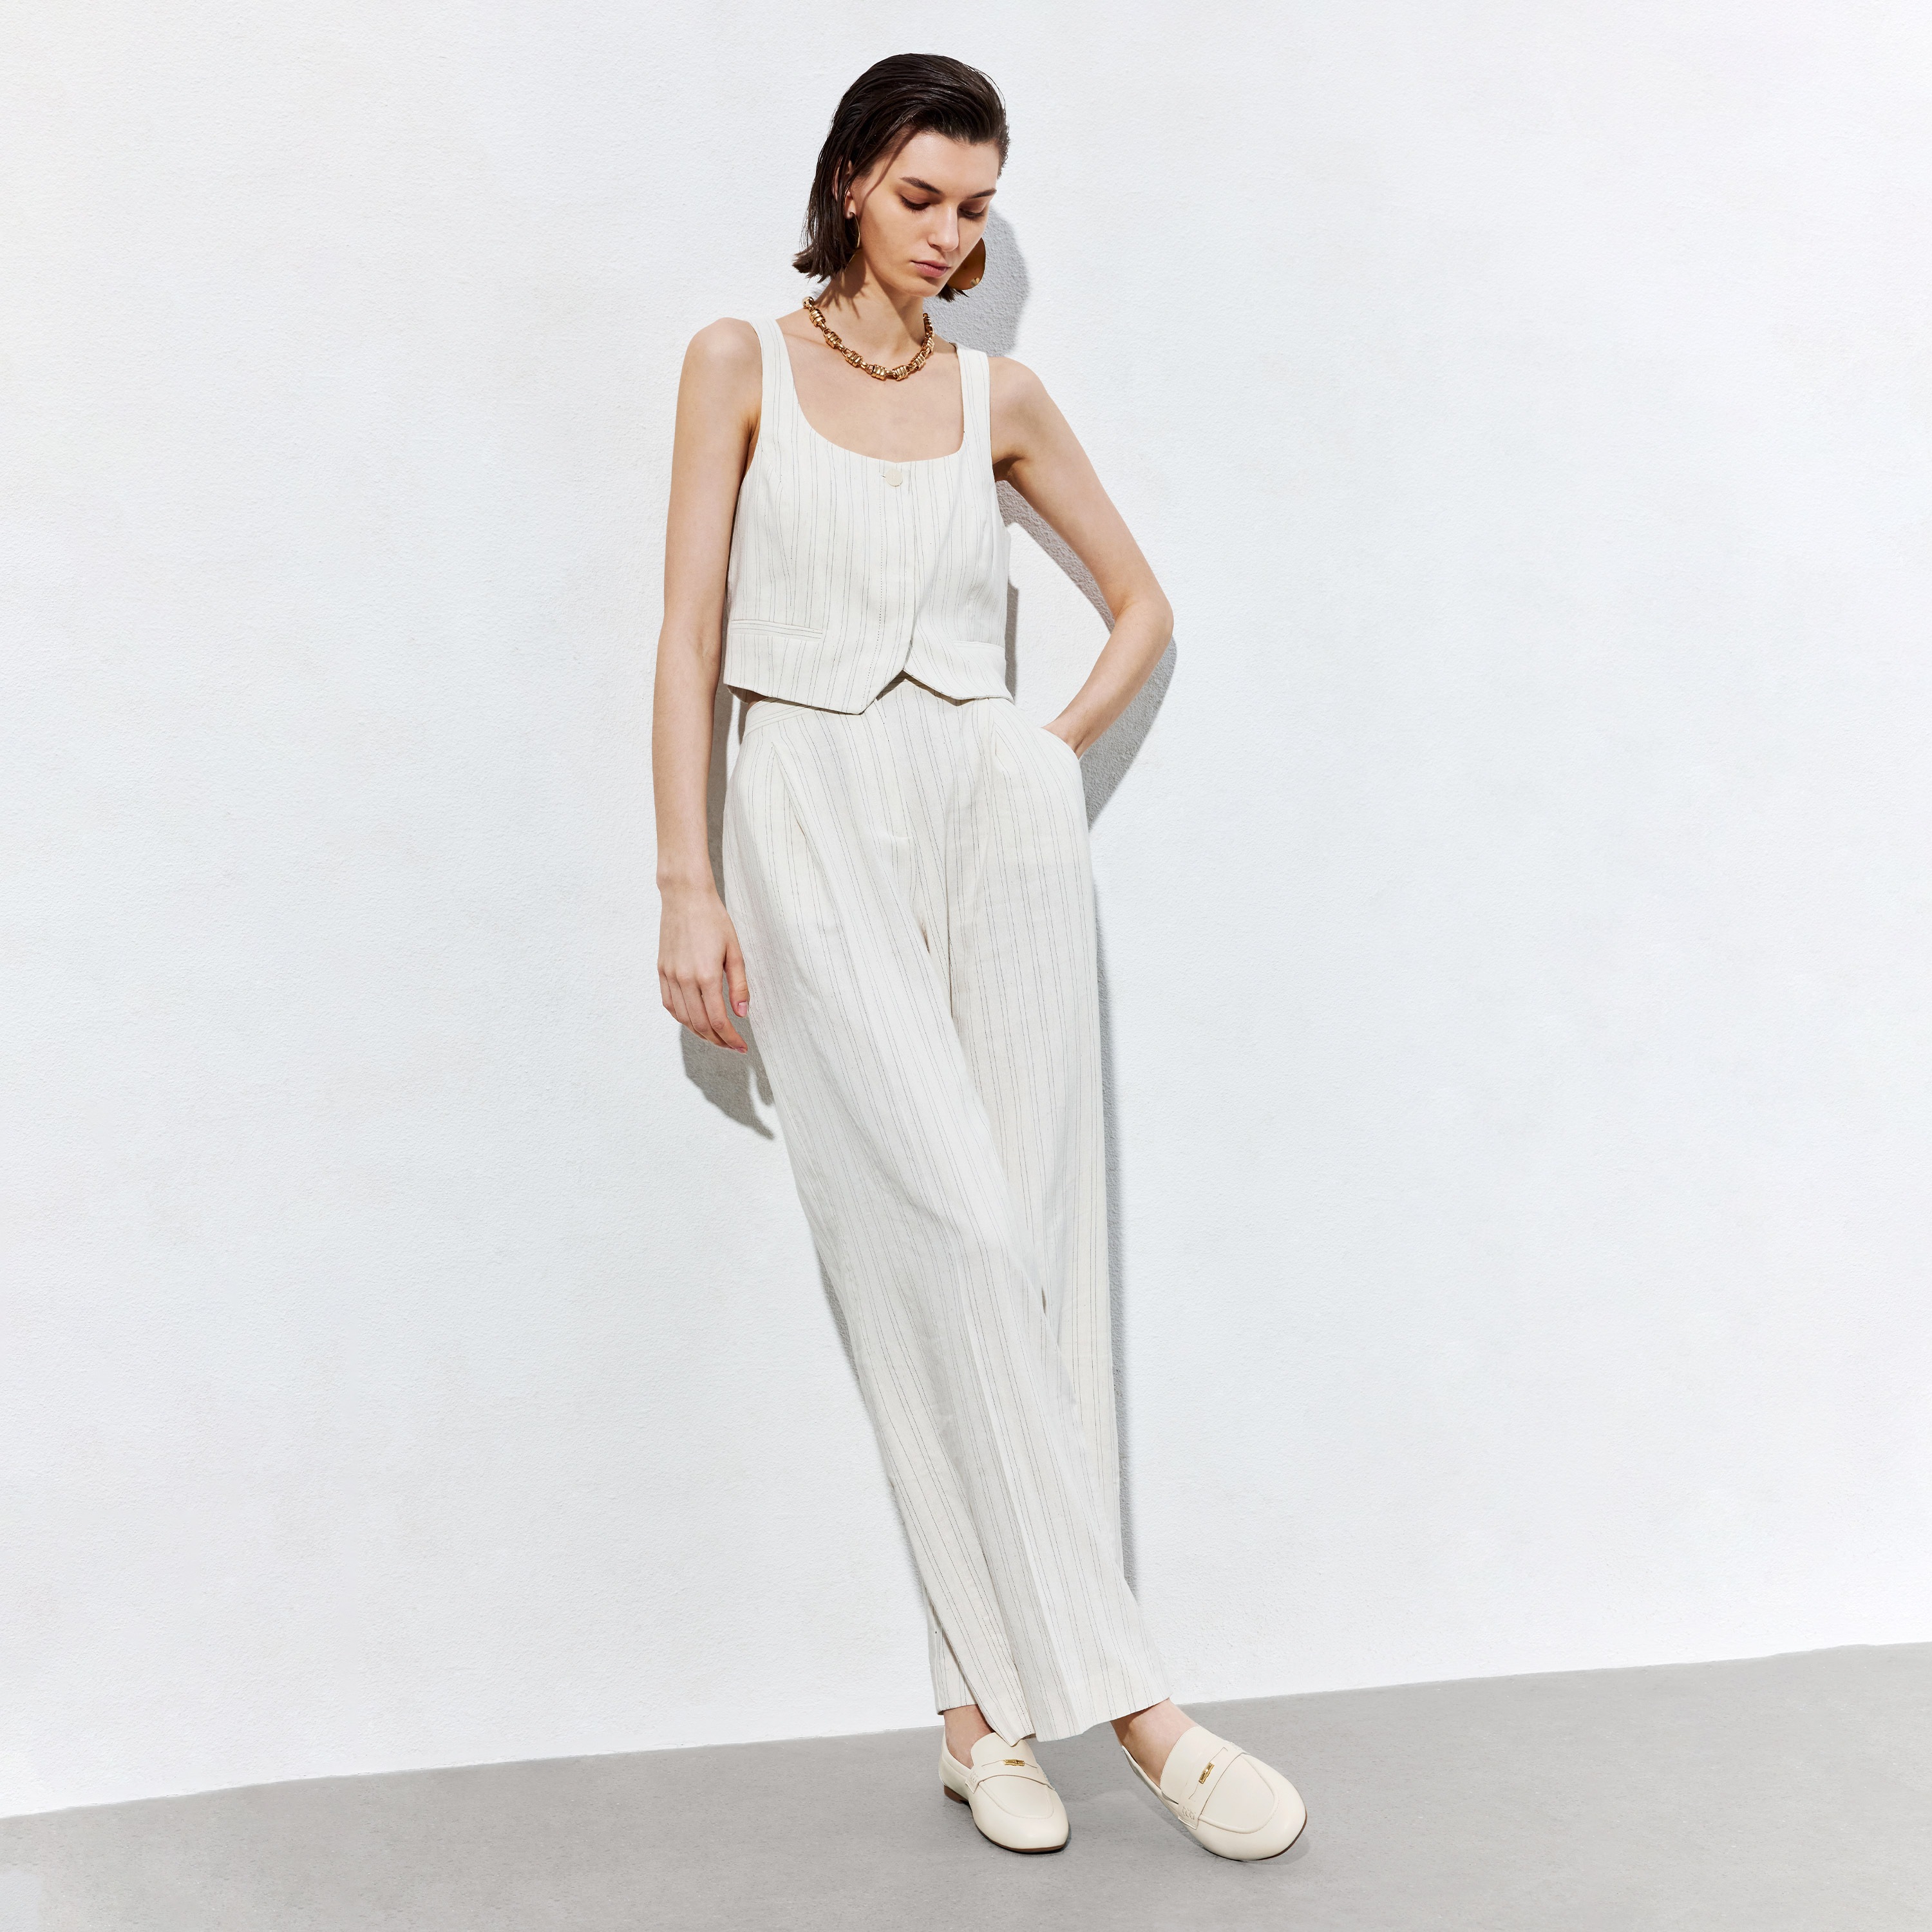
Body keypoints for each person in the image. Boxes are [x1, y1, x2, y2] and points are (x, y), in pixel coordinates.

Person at [651, 53, 1305, 1861]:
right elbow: (689, 631)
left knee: (1029, 1255)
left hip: (996, 819)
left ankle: (980, 1719)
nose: (950, 235)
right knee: (940, 1230)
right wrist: (684, 880)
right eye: (923, 196)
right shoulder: (735, 362)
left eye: (978, 208)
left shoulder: (995, 398)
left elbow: (1144, 604)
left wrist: (1041, 755)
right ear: (851, 180)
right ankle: (1143, 1711)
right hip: (807, 808)